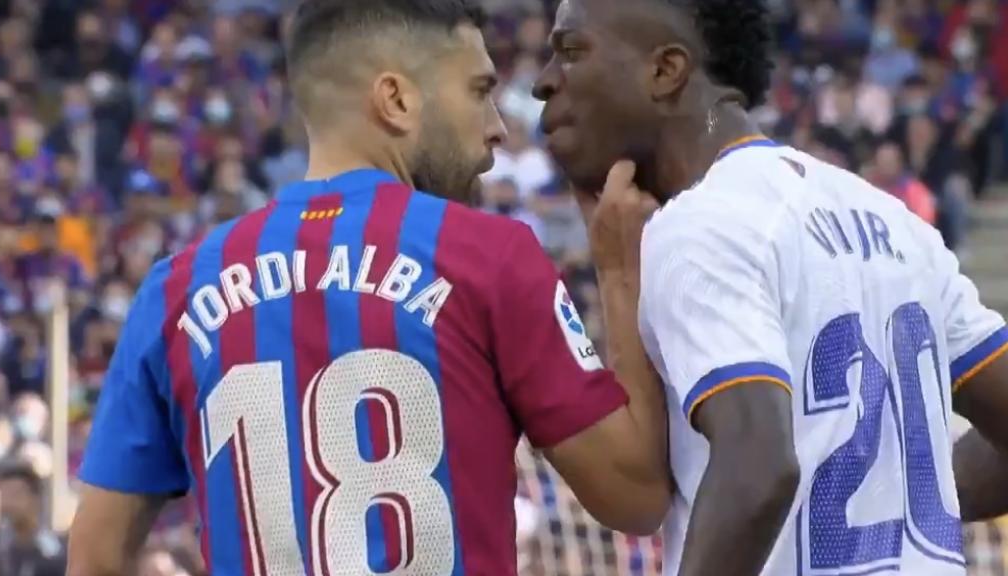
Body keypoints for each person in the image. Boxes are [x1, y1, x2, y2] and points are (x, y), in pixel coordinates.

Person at [67, 1, 670, 575]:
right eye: (479, 92)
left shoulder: (174, 289)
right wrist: (620, 272)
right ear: (397, 100)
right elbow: (635, 497)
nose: (497, 130)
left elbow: (95, 559)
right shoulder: (489, 258)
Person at [532, 0, 1008, 574]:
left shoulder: (701, 222)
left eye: (571, 52)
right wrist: (902, 491)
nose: (543, 81)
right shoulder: (892, 220)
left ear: (665, 71)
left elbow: (757, 466)